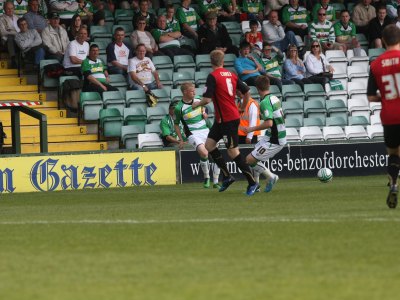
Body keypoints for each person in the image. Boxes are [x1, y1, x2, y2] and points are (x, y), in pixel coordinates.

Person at [192, 49, 259, 196]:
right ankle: (227, 176)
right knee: (209, 145)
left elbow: (207, 99)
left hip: (228, 119)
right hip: (222, 119)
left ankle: (253, 183)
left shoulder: (212, 76)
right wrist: (242, 106)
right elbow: (247, 91)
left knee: (233, 152)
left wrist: (196, 104)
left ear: (211, 62)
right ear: (223, 61)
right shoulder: (232, 75)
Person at [367, 24, 400, 209]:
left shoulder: (376, 64)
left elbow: (371, 96)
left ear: (384, 41)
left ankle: (394, 183)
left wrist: (388, 97)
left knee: (393, 154)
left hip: (389, 116)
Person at [174, 82, 221, 188]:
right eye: (192, 91)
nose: (194, 93)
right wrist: (181, 139)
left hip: (206, 130)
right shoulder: (179, 108)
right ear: (185, 92)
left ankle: (216, 181)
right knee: (204, 153)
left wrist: (204, 112)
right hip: (193, 133)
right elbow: (176, 124)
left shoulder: (198, 99)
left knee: (216, 155)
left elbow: (204, 106)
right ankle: (206, 177)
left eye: (194, 90)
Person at [244, 75, 286, 193]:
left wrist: (251, 129)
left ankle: (271, 177)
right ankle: (256, 186)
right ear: (269, 85)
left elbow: (269, 123)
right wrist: (260, 116)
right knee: (254, 156)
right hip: (271, 136)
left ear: (257, 88)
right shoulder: (274, 98)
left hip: (275, 139)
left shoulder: (264, 102)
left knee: (249, 160)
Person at [0, 1, 20, 68]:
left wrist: (11, 31)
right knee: (10, 37)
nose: (10, 10)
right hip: (6, 41)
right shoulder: (1, 18)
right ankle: (13, 60)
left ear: (14, 8)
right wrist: (14, 33)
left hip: (18, 40)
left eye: (12, 8)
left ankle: (24, 58)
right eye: (8, 8)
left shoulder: (17, 17)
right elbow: (3, 32)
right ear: (4, 9)